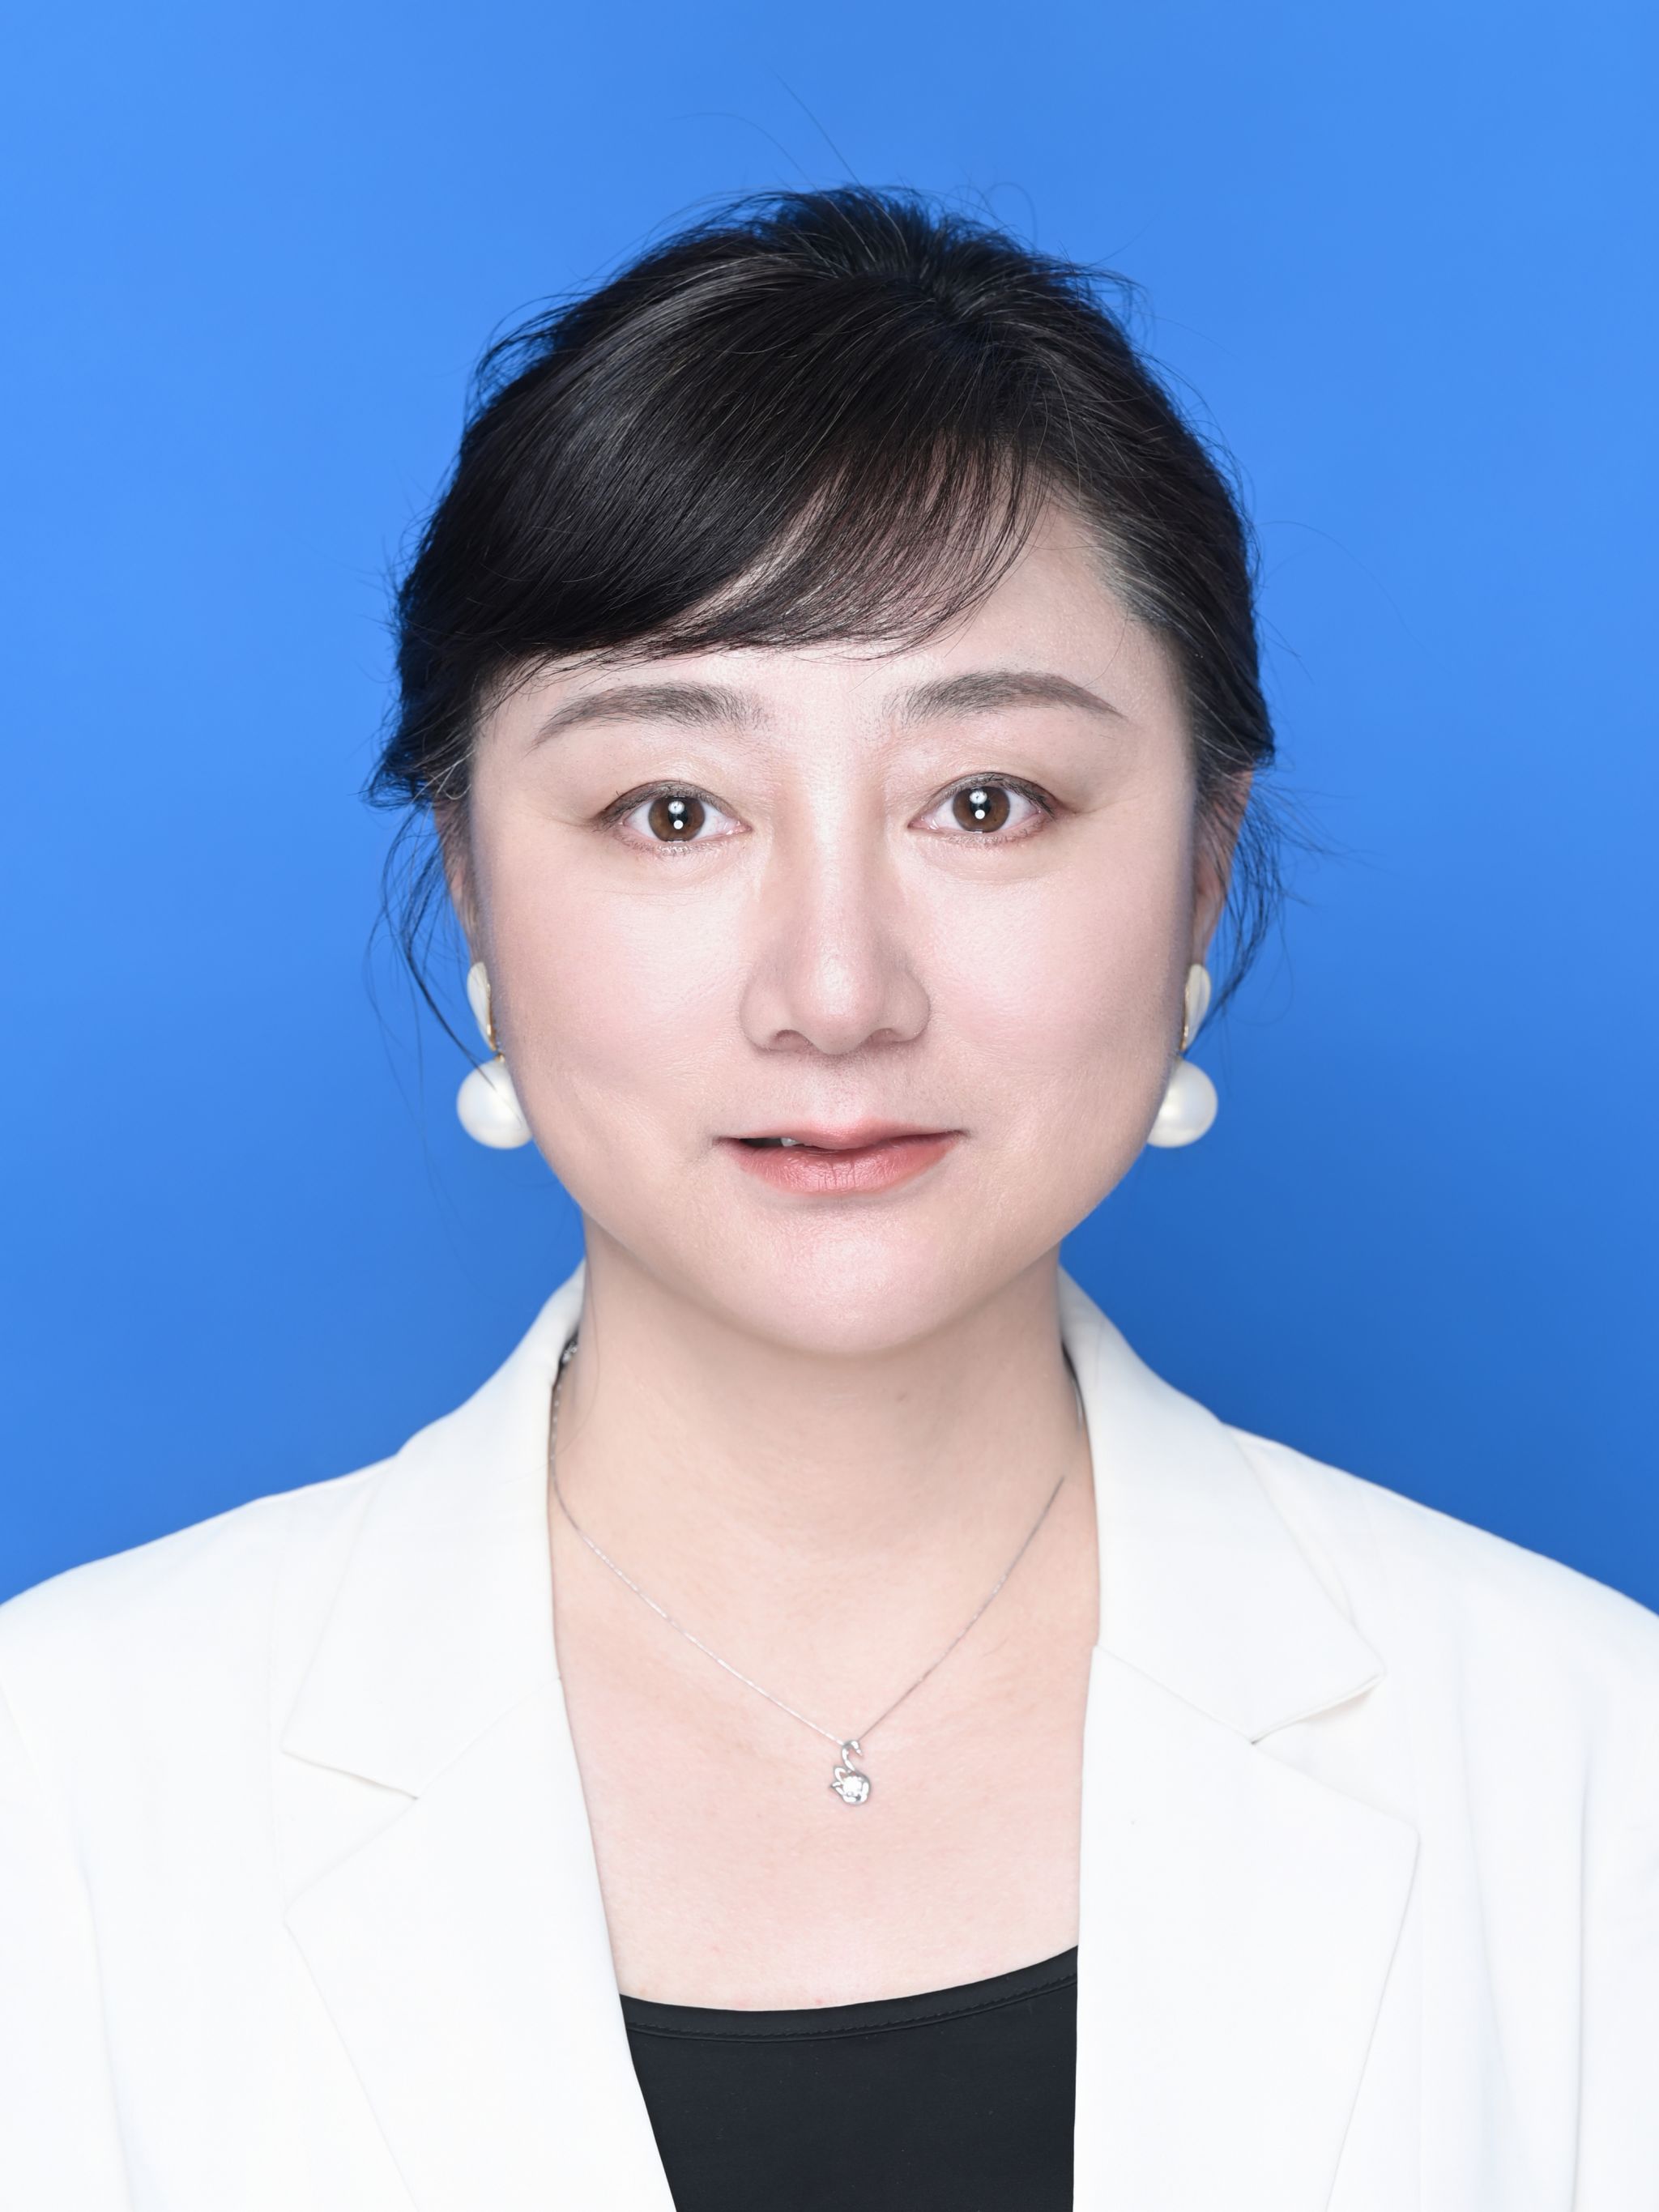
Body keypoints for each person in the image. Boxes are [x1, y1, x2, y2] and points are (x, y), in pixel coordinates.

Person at [1, 189, 1654, 2212]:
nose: (836, 990)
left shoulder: (1592, 1777)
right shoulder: (58, 1795)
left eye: (986, 802)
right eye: (671, 810)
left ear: (1202, 874)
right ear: (475, 888)